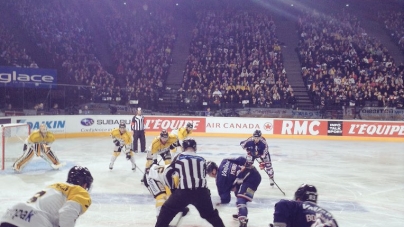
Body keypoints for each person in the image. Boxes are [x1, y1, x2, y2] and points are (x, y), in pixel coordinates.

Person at [155, 139, 225, 227]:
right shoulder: (202, 159)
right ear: (195, 147)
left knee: (167, 210)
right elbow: (202, 176)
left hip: (183, 192)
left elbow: (167, 173)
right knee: (210, 215)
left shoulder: (179, 157)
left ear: (183, 148)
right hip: (202, 192)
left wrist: (173, 190)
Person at [0, 165, 93, 227]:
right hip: (33, 222)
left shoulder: (54, 186)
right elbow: (67, 214)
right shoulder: (80, 191)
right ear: (85, 185)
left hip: (10, 216)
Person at [206, 156, 262, 227]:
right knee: (239, 192)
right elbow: (241, 159)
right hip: (256, 175)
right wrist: (247, 165)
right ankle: (241, 213)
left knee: (241, 199)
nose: (209, 175)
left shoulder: (220, 181)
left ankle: (243, 219)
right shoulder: (225, 161)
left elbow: (226, 199)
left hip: (249, 180)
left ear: (213, 171)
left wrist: (218, 203)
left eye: (209, 173)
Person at [143, 129, 181, 217]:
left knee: (168, 163)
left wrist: (174, 145)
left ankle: (164, 176)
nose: (164, 139)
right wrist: (154, 163)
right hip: (154, 151)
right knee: (150, 165)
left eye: (166, 138)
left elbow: (178, 140)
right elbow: (153, 154)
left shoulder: (171, 137)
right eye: (163, 138)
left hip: (165, 150)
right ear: (160, 137)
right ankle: (145, 176)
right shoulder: (155, 143)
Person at [271, 184, 339, 227]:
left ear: (298, 199)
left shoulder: (298, 206)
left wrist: (278, 225)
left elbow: (282, 204)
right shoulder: (328, 215)